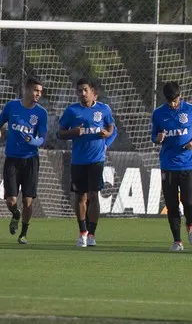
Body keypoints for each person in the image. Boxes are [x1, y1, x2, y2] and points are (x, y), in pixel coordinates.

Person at [58, 78, 115, 247]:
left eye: (85, 90)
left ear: (92, 92)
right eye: (79, 91)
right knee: (80, 197)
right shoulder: (72, 111)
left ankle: (92, 234)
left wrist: (106, 135)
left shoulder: (104, 109)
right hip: (78, 160)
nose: (82, 94)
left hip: (96, 160)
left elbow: (111, 127)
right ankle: (82, 232)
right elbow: (59, 134)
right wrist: (73, 132)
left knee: (93, 196)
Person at [151, 81, 192, 251]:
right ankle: (177, 241)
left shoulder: (191, 110)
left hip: (187, 164)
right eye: (170, 101)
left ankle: (190, 224)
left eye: (175, 100)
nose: (173, 104)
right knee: (171, 204)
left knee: (189, 203)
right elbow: (154, 136)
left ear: (180, 96)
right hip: (168, 164)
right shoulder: (158, 113)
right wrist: (158, 138)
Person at [0, 77, 47, 244]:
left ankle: (23, 233)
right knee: (11, 200)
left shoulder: (41, 113)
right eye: (36, 90)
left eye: (40, 92)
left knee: (28, 200)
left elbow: (42, 139)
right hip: (12, 159)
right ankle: (15, 214)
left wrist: (32, 141)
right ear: (27, 89)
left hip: (30, 160)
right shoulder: (11, 106)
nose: (38, 94)